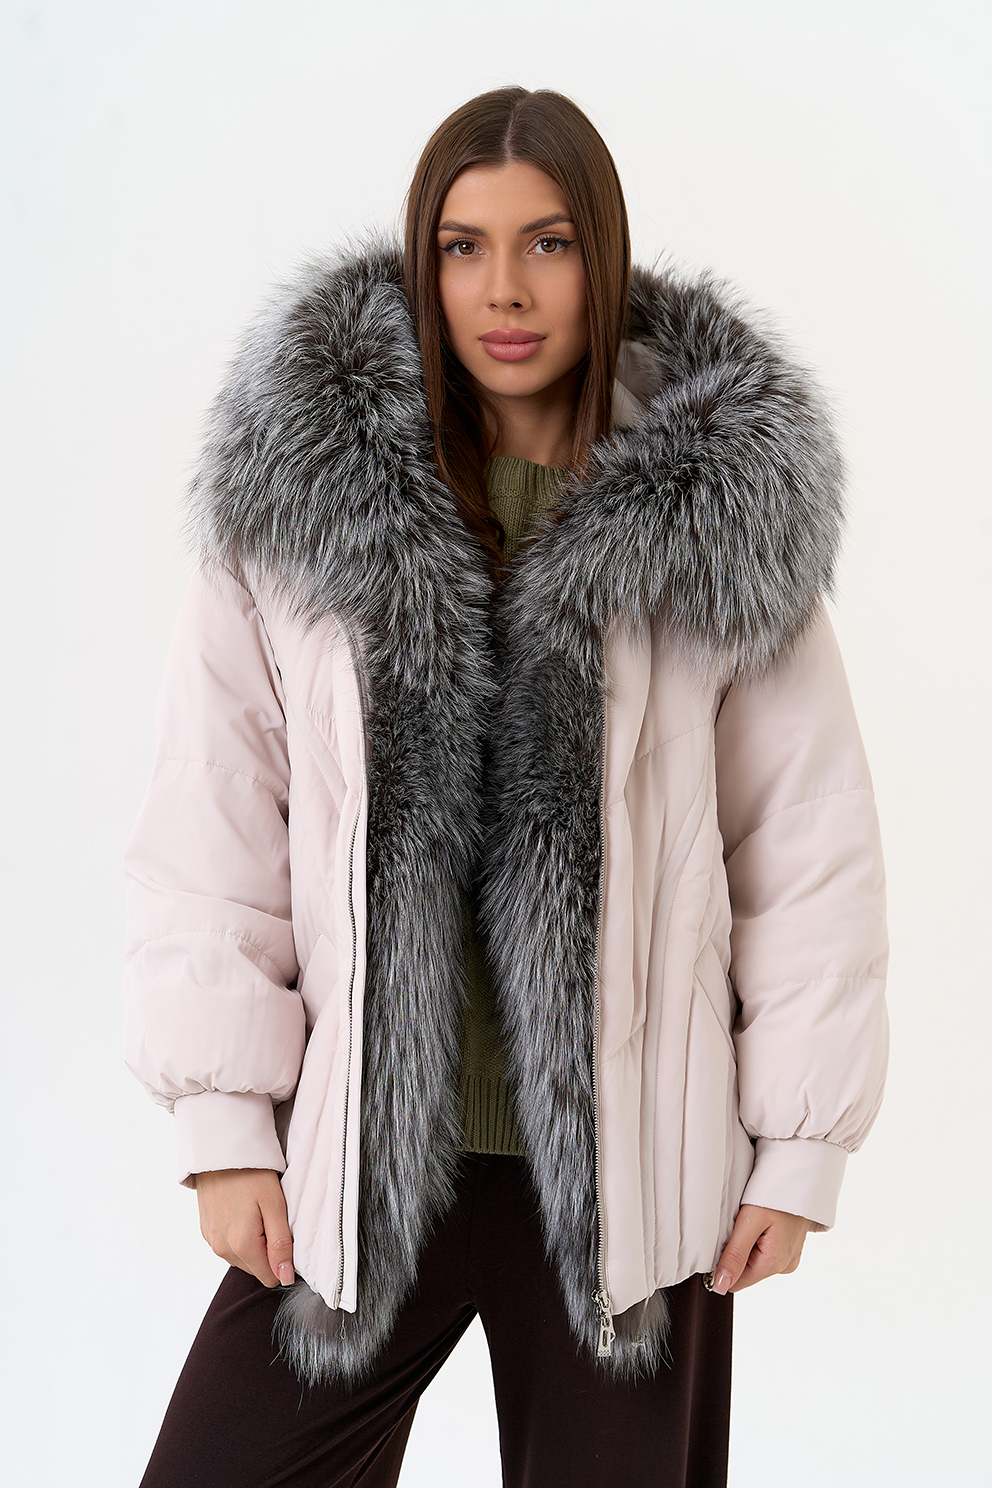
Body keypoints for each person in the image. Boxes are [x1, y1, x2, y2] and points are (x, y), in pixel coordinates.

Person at [125, 86, 889, 1488]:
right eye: (463, 247)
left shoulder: (720, 517)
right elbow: (213, 824)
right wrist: (225, 1129)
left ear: (604, 255)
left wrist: (799, 1150)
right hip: (360, 1172)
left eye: (548, 243)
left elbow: (805, 847)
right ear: (424, 260)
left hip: (634, 1188)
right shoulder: (302, 504)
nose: (505, 291)